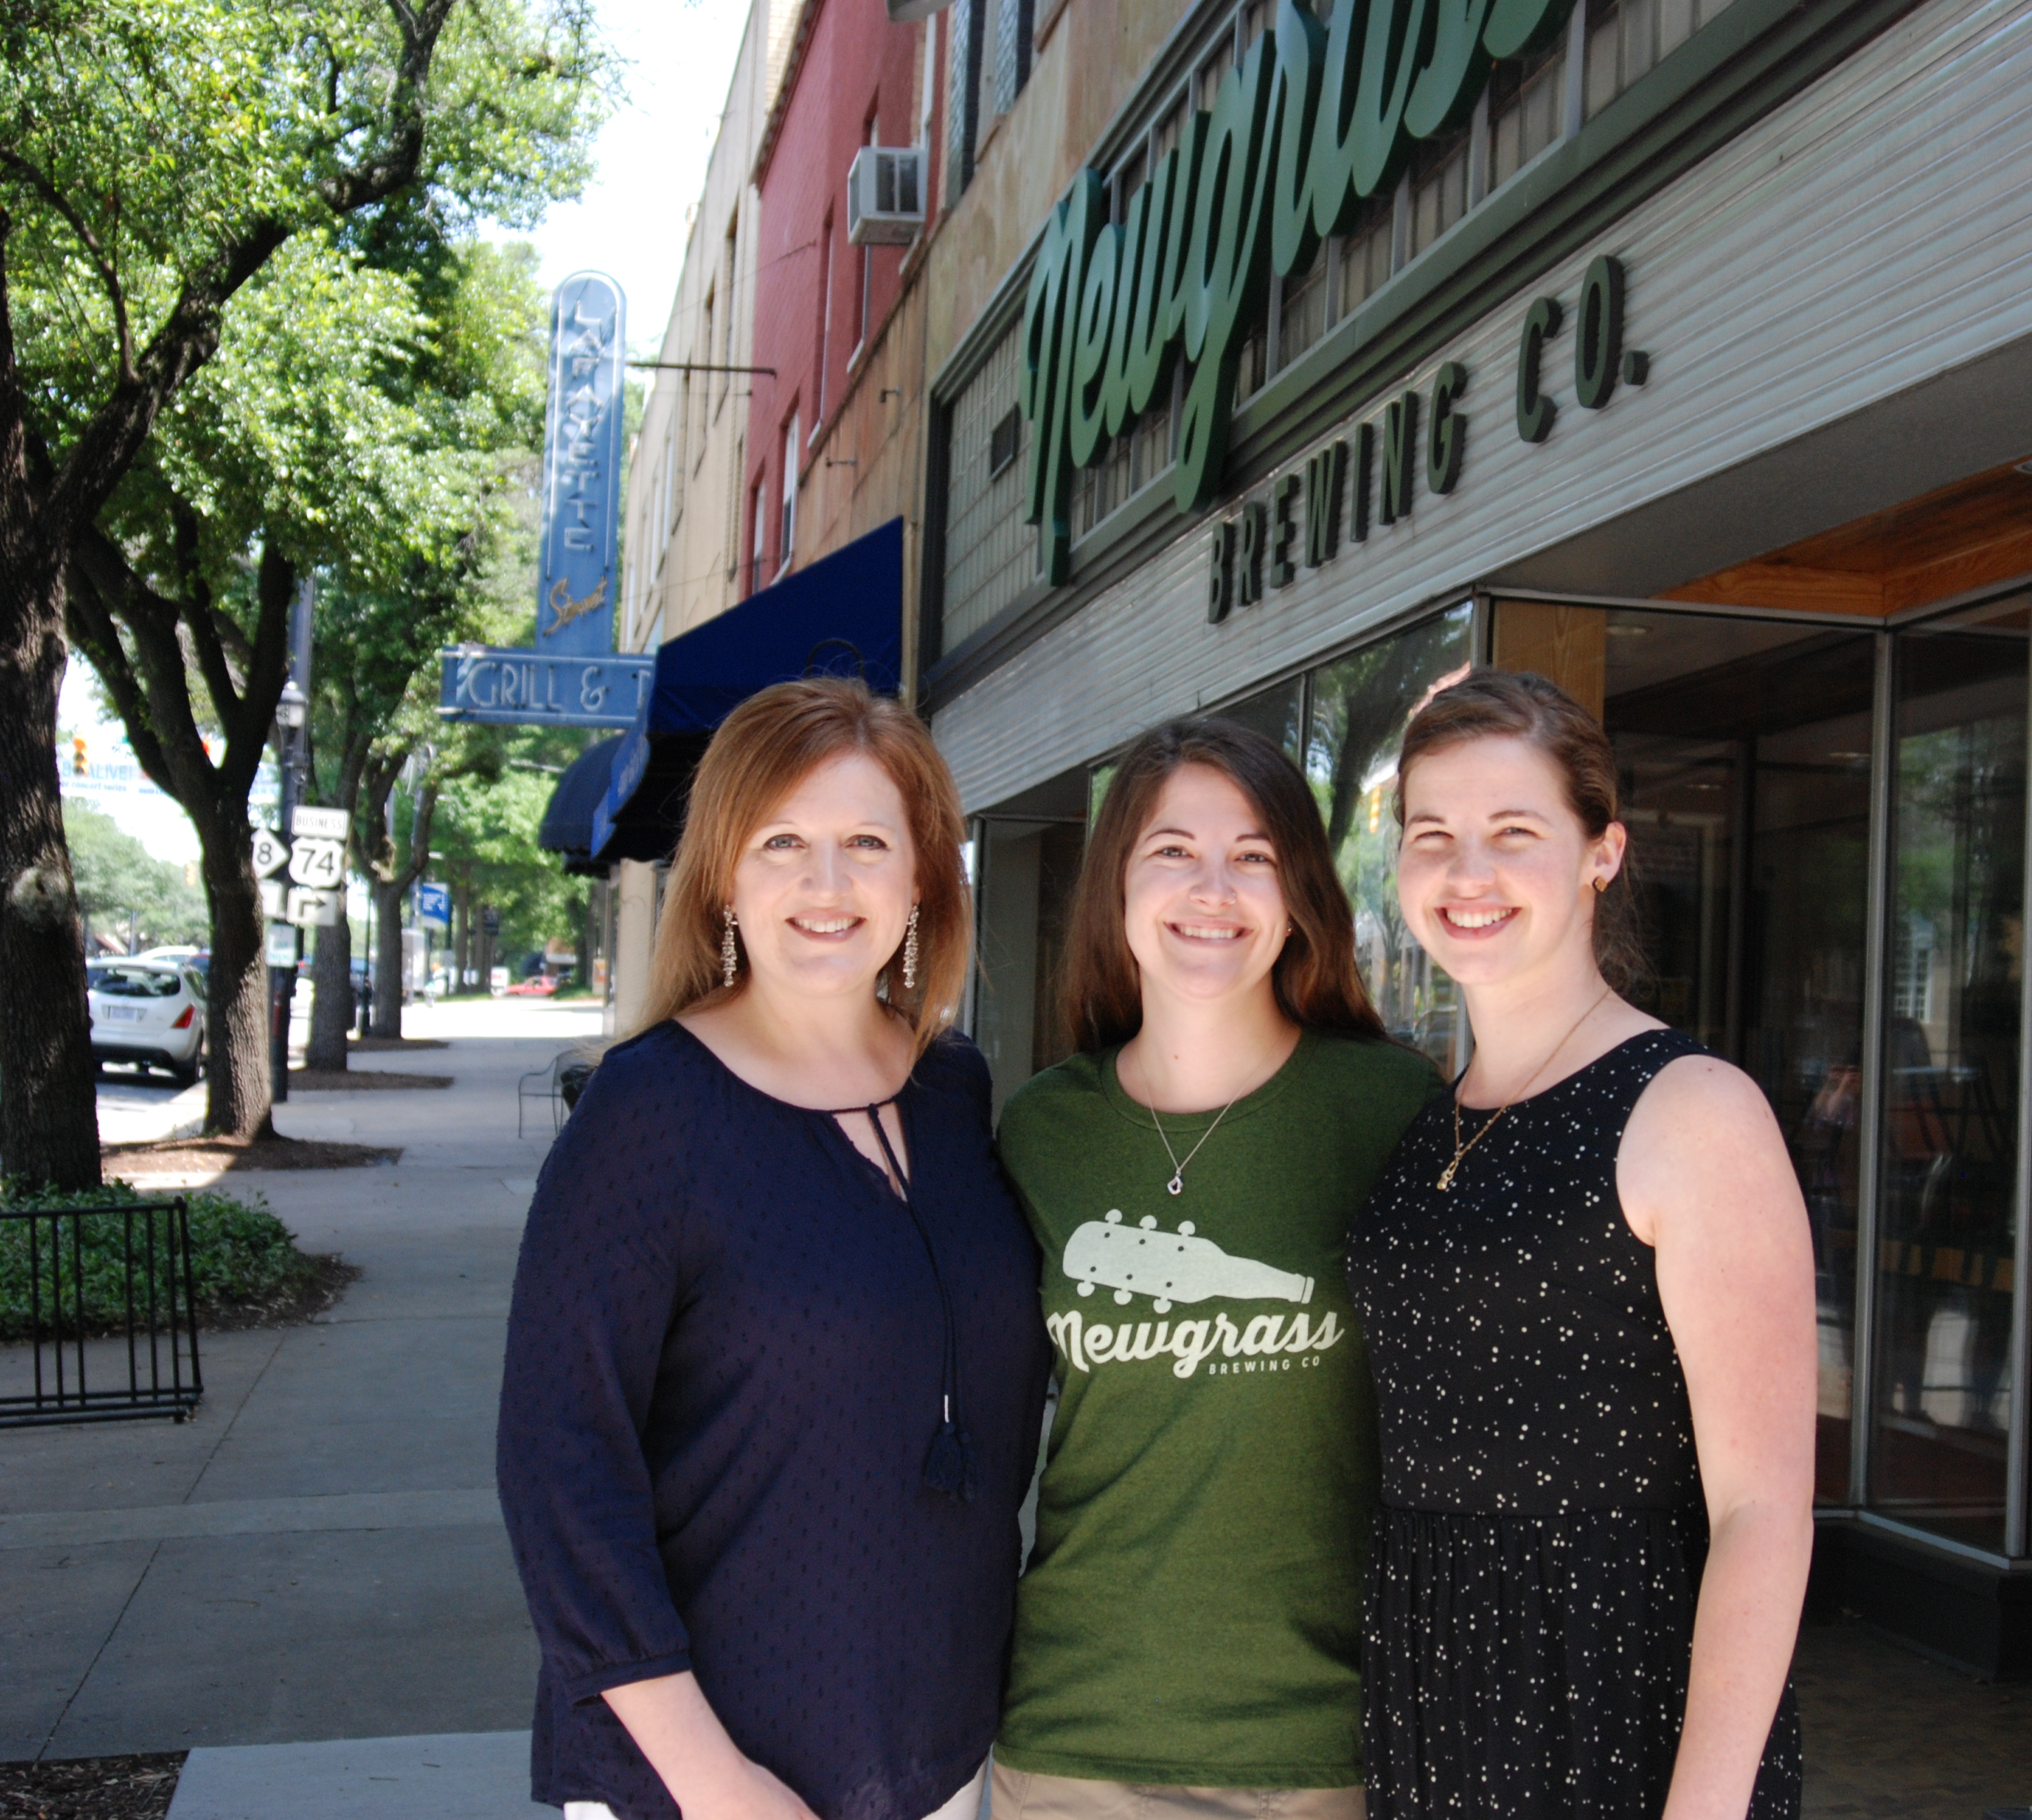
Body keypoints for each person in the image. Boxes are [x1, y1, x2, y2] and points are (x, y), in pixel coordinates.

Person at [496, 677, 1047, 1820]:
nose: (827, 883)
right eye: (783, 841)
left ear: (923, 875)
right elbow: (561, 1470)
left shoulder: (953, 1092)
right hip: (704, 1774)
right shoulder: (650, 1112)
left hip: (933, 1750)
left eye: (865, 842)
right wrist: (712, 1785)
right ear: (725, 879)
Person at [1349, 670, 1817, 1820]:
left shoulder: (1690, 1109)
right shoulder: (1429, 1116)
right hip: (1433, 1700)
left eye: (1515, 832)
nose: (1469, 874)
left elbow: (1765, 1513)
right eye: (1433, 835)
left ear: (1602, 851)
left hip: (1615, 1709)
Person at [991, 718, 1438, 1820]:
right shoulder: (1041, 1130)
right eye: (1172, 852)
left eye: (1253, 856)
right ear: (1115, 891)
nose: (1213, 888)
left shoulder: (1391, 1110)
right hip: (1075, 1734)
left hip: (1325, 1741)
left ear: (1297, 897)